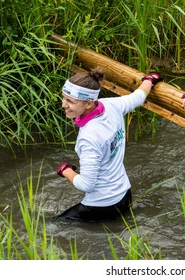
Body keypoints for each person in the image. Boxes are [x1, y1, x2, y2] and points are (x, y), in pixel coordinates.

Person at [56, 68, 163, 222]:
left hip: (101, 206)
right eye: (64, 98)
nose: (63, 105)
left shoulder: (89, 137)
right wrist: (150, 80)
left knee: (52, 227)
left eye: (70, 101)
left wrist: (65, 170)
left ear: (88, 103)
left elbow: (86, 185)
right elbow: (138, 97)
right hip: (125, 195)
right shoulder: (112, 105)